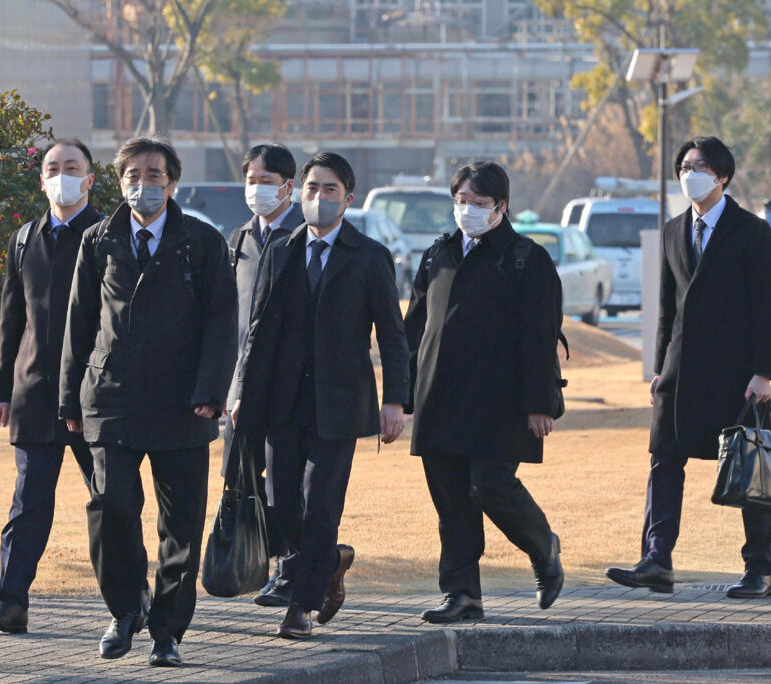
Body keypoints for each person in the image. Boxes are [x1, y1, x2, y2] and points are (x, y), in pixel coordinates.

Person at [59, 136, 237, 667]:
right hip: (111, 398)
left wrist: (210, 391)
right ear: (119, 182)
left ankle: (168, 632)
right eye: (133, 175)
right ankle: (124, 609)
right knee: (110, 507)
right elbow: (78, 325)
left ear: (173, 182)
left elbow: (222, 323)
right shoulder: (98, 240)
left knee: (180, 525)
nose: (144, 184)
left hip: (184, 404)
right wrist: (71, 396)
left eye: (154, 175)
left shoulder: (202, 242)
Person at [0, 139, 149, 633]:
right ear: (42, 178)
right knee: (28, 502)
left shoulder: (110, 236)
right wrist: (2, 388)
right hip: (34, 395)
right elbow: (10, 322)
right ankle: (11, 601)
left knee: (113, 500)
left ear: (92, 179)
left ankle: (134, 595)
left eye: (72, 167)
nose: (62, 174)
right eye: (53, 167)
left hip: (96, 394)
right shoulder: (25, 238)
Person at [234, 152, 409, 639]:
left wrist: (395, 399)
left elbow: (392, 335)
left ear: (348, 199)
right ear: (299, 193)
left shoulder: (370, 256)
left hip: (339, 403)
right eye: (312, 188)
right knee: (281, 503)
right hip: (281, 402)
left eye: (330, 190)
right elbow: (259, 332)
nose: (319, 197)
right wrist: (245, 393)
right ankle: (330, 560)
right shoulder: (281, 249)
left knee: (321, 504)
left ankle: (301, 606)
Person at [605, 136, 771, 599]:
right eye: (684, 166)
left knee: (749, 468)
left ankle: (760, 568)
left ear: (722, 175)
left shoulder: (751, 231)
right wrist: (660, 365)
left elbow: (767, 306)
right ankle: (656, 560)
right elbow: (667, 306)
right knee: (664, 460)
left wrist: (765, 371)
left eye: (700, 166)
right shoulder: (671, 230)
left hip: (737, 373)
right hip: (680, 370)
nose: (690, 174)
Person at [404, 160, 564, 624]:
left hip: (500, 403)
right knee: (451, 499)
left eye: (478, 203)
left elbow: (541, 336)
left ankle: (542, 546)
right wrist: (401, 394)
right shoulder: (438, 254)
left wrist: (540, 402)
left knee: (490, 485)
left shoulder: (526, 257)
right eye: (460, 201)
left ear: (501, 206)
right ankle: (462, 593)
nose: (467, 210)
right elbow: (413, 329)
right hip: (439, 399)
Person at [222, 144, 304, 608]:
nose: (257, 188)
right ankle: (305, 559)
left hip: (288, 387)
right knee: (244, 482)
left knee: (285, 487)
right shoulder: (238, 241)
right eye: (251, 179)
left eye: (266, 180)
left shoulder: (303, 237)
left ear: (288, 187)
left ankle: (291, 570)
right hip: (240, 387)